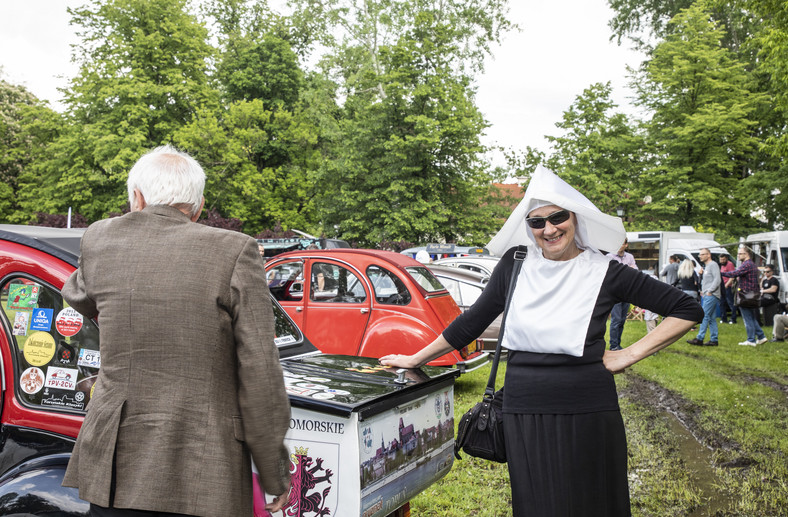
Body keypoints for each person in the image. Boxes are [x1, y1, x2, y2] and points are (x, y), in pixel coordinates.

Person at [380, 166, 702, 517]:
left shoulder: (606, 271)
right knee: (537, 503)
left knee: (592, 502)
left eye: (557, 217)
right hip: (524, 407)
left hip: (588, 408)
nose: (549, 229)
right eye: (537, 222)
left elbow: (686, 309)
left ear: (574, 218)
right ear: (528, 227)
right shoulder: (514, 264)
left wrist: (628, 354)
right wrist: (415, 359)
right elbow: (471, 323)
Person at [60, 145, 292, 517]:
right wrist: (274, 471)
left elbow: (77, 294)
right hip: (205, 467)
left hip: (116, 466)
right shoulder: (234, 250)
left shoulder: (99, 239)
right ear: (198, 206)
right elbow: (260, 372)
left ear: (136, 197)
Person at [722, 247, 767, 346]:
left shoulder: (747, 264)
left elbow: (735, 273)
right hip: (751, 295)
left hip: (745, 295)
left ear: (746, 254)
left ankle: (751, 340)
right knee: (751, 317)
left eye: (740, 254)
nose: (738, 256)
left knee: (747, 319)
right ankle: (761, 336)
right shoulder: (751, 264)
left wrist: (721, 273)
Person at [608, 238, 638, 351]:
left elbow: (635, 270)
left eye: (622, 243)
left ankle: (618, 344)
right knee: (616, 320)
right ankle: (613, 346)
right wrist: (627, 269)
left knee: (622, 320)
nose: (620, 245)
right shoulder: (610, 257)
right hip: (615, 292)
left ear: (626, 245)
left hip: (626, 292)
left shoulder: (629, 257)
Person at [686, 248, 721, 346]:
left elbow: (717, 280)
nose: (700, 256)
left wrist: (710, 291)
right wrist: (703, 291)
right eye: (700, 255)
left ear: (708, 255)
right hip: (707, 294)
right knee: (711, 318)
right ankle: (714, 340)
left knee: (704, 316)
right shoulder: (707, 266)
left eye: (702, 254)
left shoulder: (713, 265)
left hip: (711, 295)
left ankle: (699, 338)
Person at [719, 254, 737, 324]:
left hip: (728, 286)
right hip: (722, 286)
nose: (722, 261)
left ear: (726, 259)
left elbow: (732, 276)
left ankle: (733, 319)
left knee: (731, 303)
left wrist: (726, 285)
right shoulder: (721, 265)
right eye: (721, 260)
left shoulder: (730, 264)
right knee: (722, 303)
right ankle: (723, 318)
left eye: (723, 259)